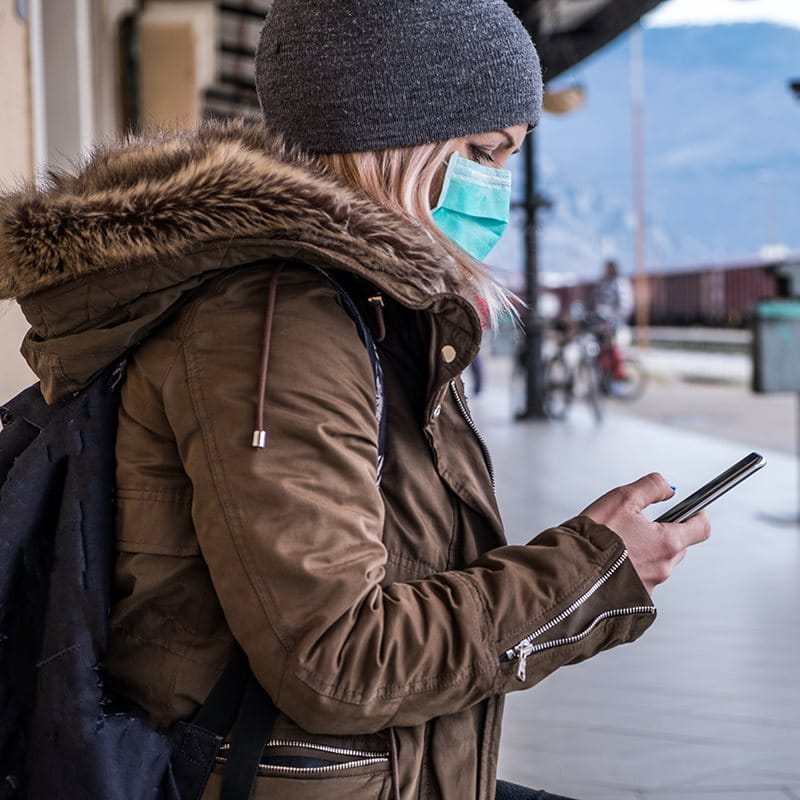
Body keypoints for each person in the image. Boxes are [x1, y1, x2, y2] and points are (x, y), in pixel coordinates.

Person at [0, 2, 709, 798]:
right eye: (483, 152)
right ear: (399, 140)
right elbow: (337, 662)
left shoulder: (356, 310)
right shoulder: (281, 327)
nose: (497, 186)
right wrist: (592, 571)